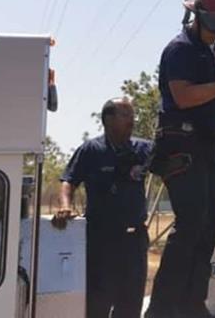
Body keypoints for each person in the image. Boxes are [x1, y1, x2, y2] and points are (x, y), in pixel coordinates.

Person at [146, 0, 215, 318]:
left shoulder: (212, 49)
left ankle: (191, 304)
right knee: (190, 224)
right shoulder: (180, 50)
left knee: (209, 224)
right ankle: (161, 309)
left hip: (206, 145)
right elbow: (183, 97)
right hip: (180, 143)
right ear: (202, 20)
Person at [53, 97, 152, 318]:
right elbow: (68, 180)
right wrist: (65, 206)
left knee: (130, 306)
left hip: (134, 241)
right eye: (125, 115)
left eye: (132, 115)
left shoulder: (143, 149)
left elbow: (168, 163)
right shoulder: (91, 150)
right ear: (108, 119)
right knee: (97, 304)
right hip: (100, 241)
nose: (132, 120)